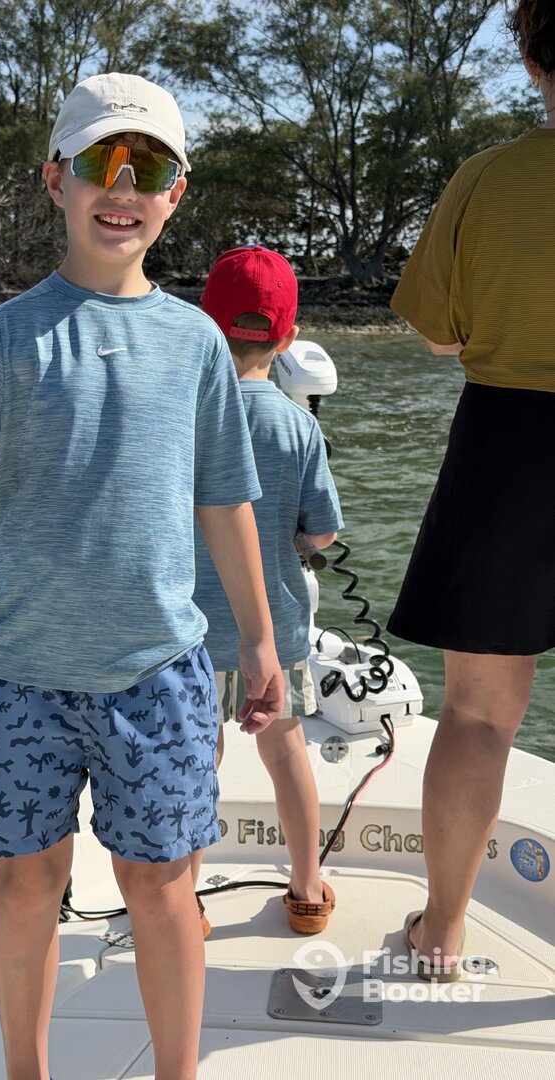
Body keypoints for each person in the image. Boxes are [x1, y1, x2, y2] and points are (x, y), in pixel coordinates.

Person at [0, 72, 284, 1080]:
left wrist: (260, 637)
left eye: (147, 167)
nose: (122, 186)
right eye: (101, 161)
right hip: (18, 675)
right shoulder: (7, 336)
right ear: (56, 179)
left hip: (161, 670)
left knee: (163, 887)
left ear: (176, 193)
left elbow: (226, 499)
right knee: (27, 882)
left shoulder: (198, 342)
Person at [387, 0, 555, 982]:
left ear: (530, 58)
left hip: (508, 445)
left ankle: (441, 937)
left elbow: (440, 335)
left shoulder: (485, 178)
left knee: (480, 716)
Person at [189, 247, 344, 937]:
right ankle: (307, 890)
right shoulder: (298, 424)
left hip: (191, 630)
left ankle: (183, 902)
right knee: (286, 755)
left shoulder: (184, 417)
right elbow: (323, 532)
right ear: (288, 340)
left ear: (203, 325)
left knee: (197, 761)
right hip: (274, 634)